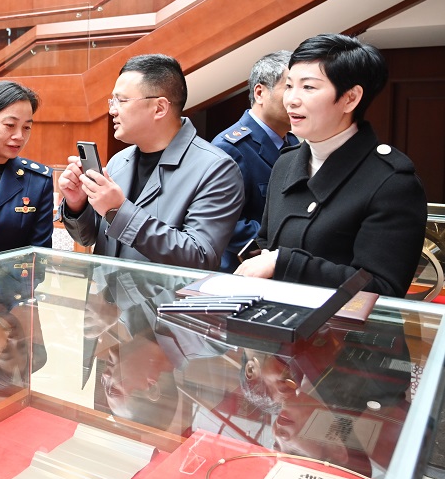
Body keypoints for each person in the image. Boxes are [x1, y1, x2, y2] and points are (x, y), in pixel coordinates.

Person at [235, 34, 426, 297]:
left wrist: (284, 263)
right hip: (276, 315)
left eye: (308, 87)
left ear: (350, 98)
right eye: (289, 85)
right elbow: (267, 242)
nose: (291, 99)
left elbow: (383, 289)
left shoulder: (393, 182)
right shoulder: (287, 162)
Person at [58, 54, 244, 271]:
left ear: (159, 108)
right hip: (105, 292)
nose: (112, 110)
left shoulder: (216, 169)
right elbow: (88, 238)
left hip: (166, 295)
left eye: (121, 101)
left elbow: (200, 257)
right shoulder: (120, 160)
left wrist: (118, 211)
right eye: (112, 101)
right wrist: (77, 205)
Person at [211, 51, 298, 272]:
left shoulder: (294, 142)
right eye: (289, 87)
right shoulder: (230, 147)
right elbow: (225, 224)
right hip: (242, 272)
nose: (297, 99)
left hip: (282, 267)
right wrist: (287, 241)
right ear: (260, 93)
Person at [0, 81, 53, 300]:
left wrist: (3, 303)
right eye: (10, 125)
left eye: (26, 127)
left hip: (14, 300)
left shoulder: (38, 181)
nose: (19, 136)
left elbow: (39, 256)